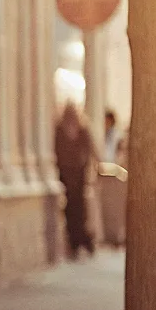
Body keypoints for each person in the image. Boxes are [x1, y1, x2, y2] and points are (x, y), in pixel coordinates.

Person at [55, 105, 97, 259]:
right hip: (66, 176)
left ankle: (83, 242)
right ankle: (76, 243)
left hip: (79, 176)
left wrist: (87, 166)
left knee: (79, 211)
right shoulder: (60, 130)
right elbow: (57, 150)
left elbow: (89, 150)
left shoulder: (82, 130)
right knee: (71, 211)